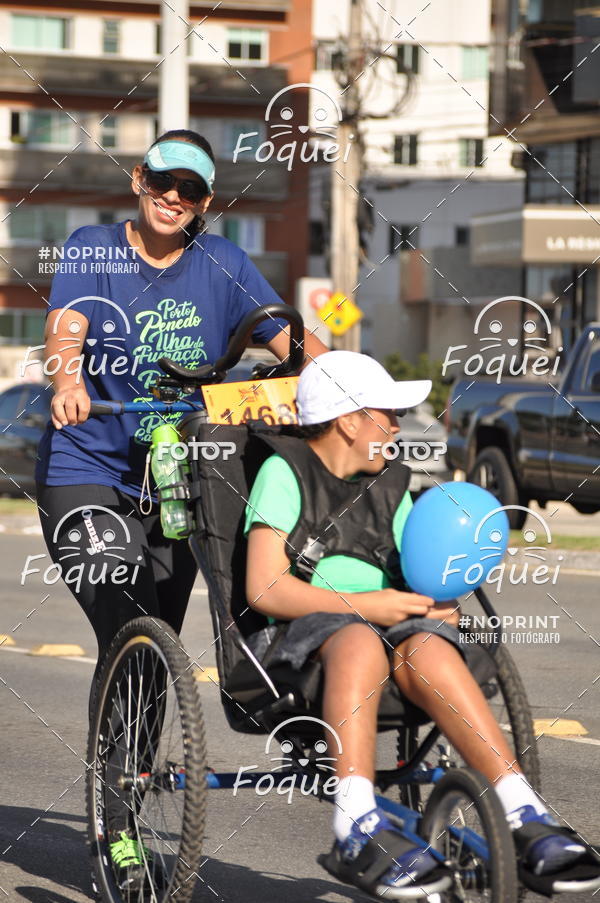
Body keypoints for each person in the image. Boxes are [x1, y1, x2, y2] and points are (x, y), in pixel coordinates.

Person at [34, 128, 327, 886]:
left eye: (190, 191)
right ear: (139, 178)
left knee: (154, 644)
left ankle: (119, 802)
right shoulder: (93, 247)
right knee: (125, 605)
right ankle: (118, 823)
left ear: (204, 203)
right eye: (162, 181)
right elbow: (65, 331)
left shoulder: (221, 262)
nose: (173, 198)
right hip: (87, 473)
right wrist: (69, 378)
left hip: (178, 481)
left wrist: (332, 376)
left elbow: (284, 333)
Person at [244, 350, 600, 899]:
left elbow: (422, 571)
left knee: (431, 649)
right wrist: (369, 607)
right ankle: (356, 822)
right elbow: (265, 587)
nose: (396, 425)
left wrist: (435, 604)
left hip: (391, 622)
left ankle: (520, 809)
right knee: (360, 639)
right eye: (387, 414)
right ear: (348, 420)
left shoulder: (392, 484)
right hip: (305, 631)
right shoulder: (283, 473)